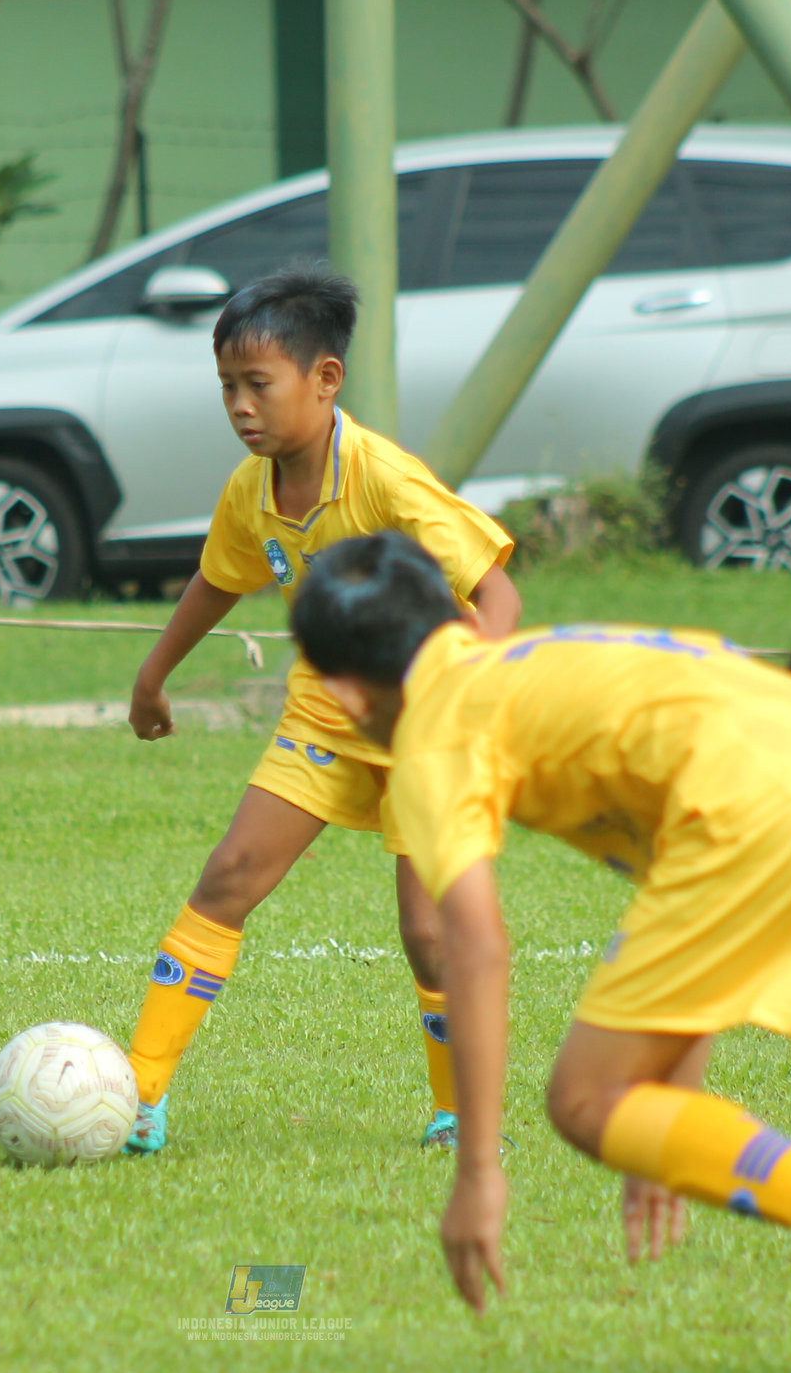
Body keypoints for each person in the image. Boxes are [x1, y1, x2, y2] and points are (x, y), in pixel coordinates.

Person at [290, 533, 791, 1373]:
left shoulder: (433, 731)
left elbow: (470, 945)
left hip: (756, 810)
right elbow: (694, 863)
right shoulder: (554, 655)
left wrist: (476, 1173)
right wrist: (666, 1128)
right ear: (456, 616)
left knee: (581, 1099)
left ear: (347, 694)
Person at [123, 270, 520, 1155]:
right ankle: (137, 1097)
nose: (239, 406)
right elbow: (218, 579)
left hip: (431, 725)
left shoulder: (387, 482)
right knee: (227, 878)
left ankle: (460, 1111)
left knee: (427, 931)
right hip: (330, 711)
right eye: (226, 386)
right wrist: (154, 677)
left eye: (257, 384)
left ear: (325, 380)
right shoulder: (252, 489)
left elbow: (497, 593)